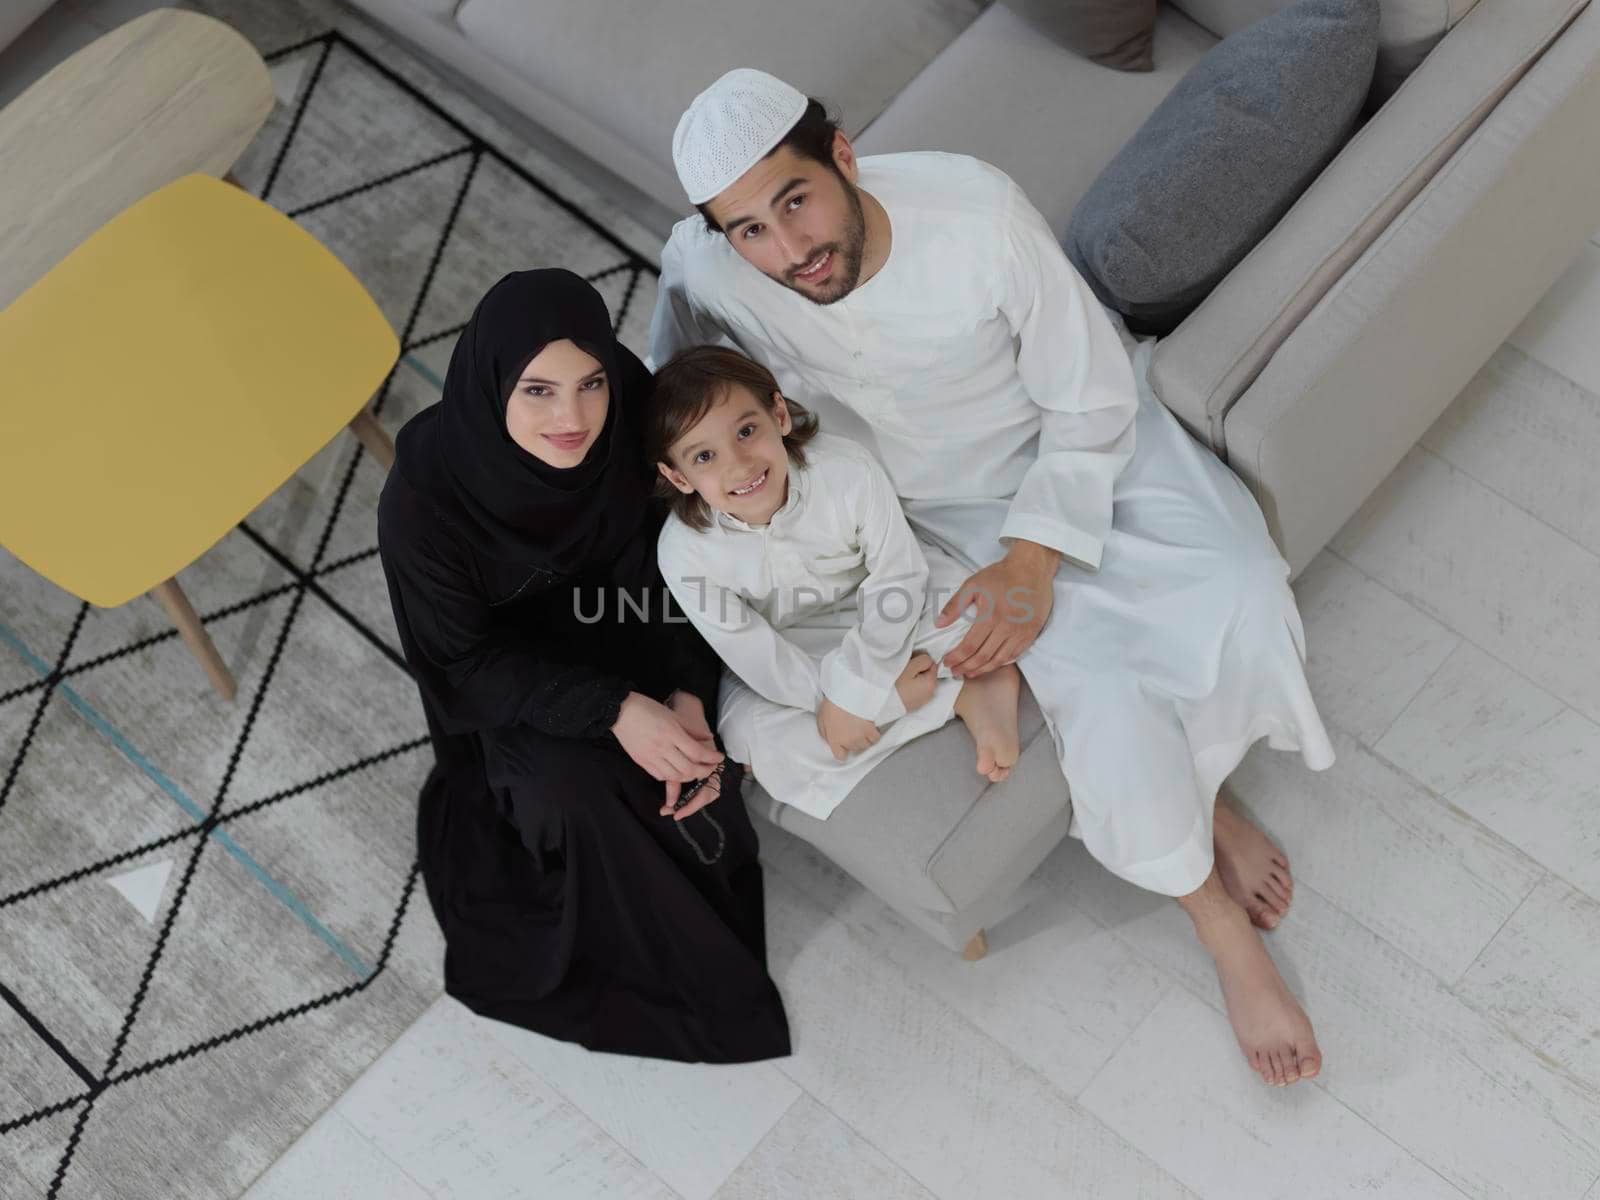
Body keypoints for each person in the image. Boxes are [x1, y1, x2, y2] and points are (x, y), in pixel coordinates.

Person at [647, 69, 1337, 1087]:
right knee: (1095, 685)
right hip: (926, 513)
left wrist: (1036, 555)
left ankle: (1209, 790)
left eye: (794, 201)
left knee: (1238, 583)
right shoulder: (706, 269)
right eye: (748, 229)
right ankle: (1215, 917)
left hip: (1080, 448)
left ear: (842, 155)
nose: (787, 252)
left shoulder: (974, 209)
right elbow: (680, 407)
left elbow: (1091, 389)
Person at [377, 268, 790, 1063]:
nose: (572, 418)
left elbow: (675, 553)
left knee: (694, 752)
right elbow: (462, 662)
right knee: (577, 790)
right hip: (515, 676)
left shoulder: (630, 409)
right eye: (537, 391)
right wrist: (614, 709)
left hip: (642, 621)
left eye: (590, 383)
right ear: (493, 384)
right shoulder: (424, 505)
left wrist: (686, 690)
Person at [647, 344, 1022, 821]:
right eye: (704, 456)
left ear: (778, 415)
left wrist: (858, 686)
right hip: (793, 647)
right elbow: (757, 654)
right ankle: (952, 693)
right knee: (749, 738)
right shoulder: (683, 553)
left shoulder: (845, 470)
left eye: (746, 431)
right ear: (677, 477)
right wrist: (866, 702)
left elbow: (898, 577)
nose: (738, 465)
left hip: (885, 607)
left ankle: (953, 688)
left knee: (976, 610)